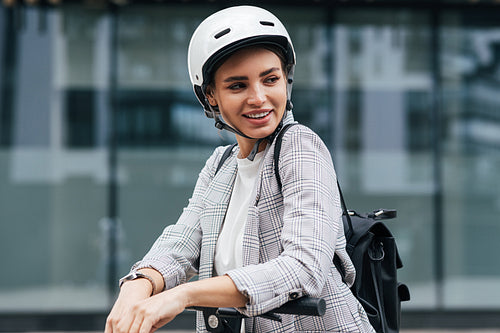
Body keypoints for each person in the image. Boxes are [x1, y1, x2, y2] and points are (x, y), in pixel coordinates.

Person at [105, 5, 375, 333]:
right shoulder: (220, 165)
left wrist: (184, 295)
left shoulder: (300, 147)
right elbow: (182, 241)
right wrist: (137, 284)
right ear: (211, 97)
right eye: (237, 86)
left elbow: (303, 268)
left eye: (270, 79)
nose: (258, 97)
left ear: (286, 82)